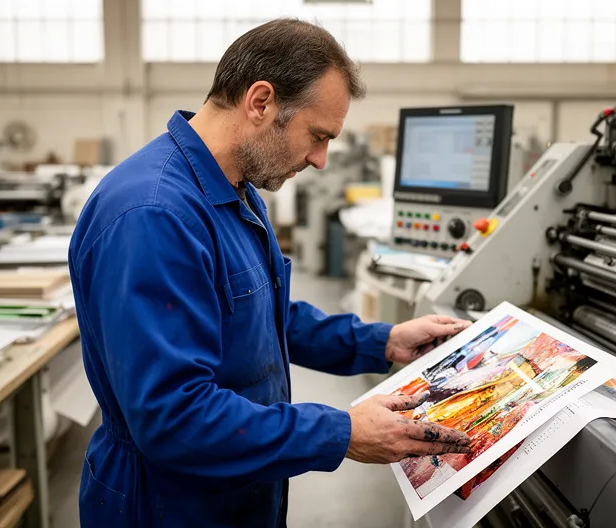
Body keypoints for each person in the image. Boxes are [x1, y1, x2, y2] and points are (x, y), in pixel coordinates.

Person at [69, 18, 473, 527]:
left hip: (236, 488)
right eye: (318, 136)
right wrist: (341, 432)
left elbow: (263, 315)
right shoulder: (154, 214)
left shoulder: (234, 190)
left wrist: (382, 342)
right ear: (260, 102)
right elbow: (173, 417)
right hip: (169, 502)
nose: (321, 160)